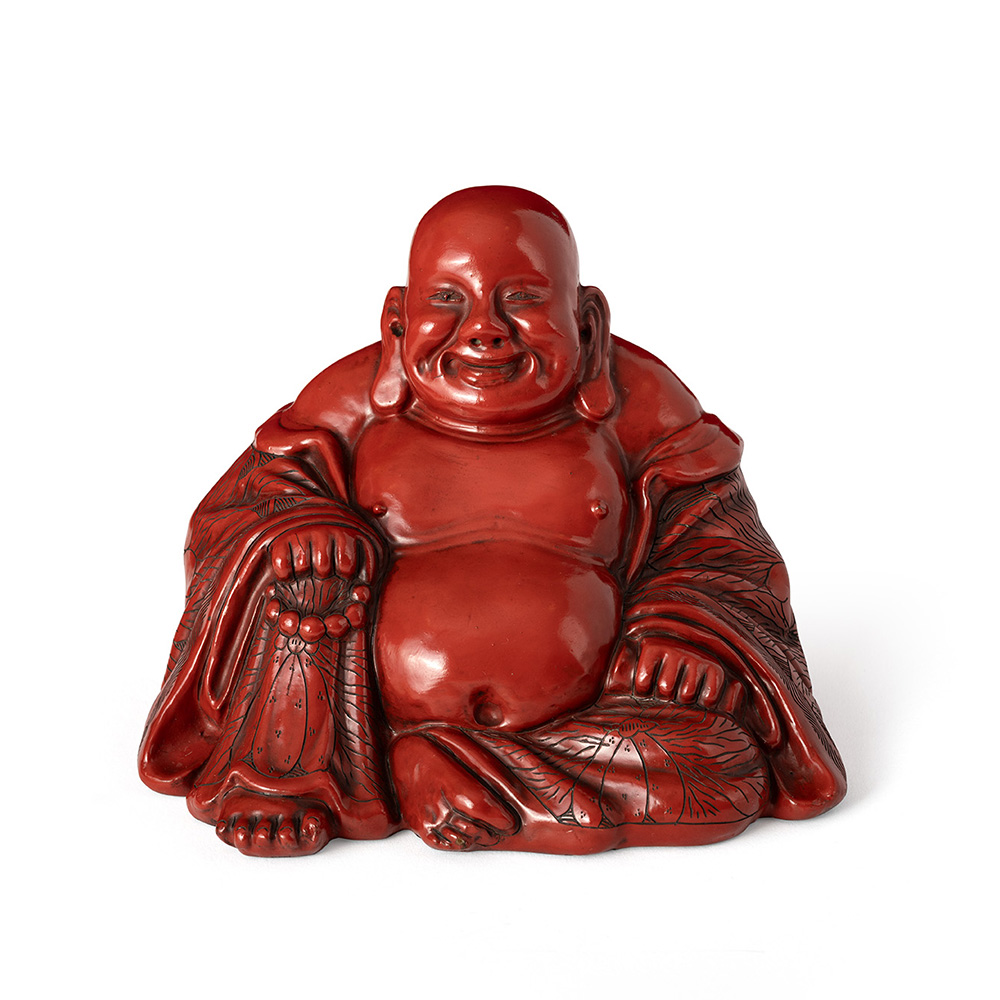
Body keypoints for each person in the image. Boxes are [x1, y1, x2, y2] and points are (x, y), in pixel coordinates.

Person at [139, 186, 846, 856]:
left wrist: (679, 630)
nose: (485, 331)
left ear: (587, 321)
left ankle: (433, 767)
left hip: (595, 717)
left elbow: (721, 544)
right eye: (448, 299)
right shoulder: (344, 411)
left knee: (723, 773)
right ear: (396, 320)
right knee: (306, 563)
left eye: (525, 299)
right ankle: (291, 775)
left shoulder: (644, 410)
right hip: (348, 723)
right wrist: (301, 522)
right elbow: (235, 515)